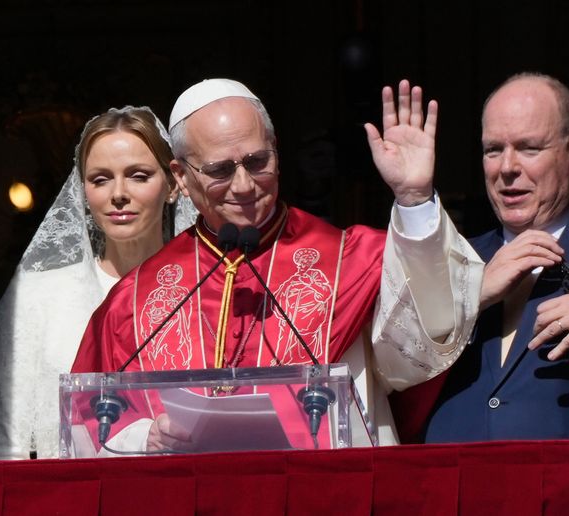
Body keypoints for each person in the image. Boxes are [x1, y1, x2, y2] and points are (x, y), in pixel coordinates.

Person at [71, 78, 484, 450]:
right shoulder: (136, 299)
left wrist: (413, 198)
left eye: (257, 162)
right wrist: (145, 436)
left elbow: (424, 347)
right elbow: (88, 418)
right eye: (220, 170)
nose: (244, 185)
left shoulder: (352, 260)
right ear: (180, 176)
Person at [0, 106, 198, 460]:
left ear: (172, 184)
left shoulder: (206, 290)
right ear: (83, 191)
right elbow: (8, 443)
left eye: (138, 176)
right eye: (100, 179)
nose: (118, 193)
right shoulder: (38, 295)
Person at [423, 73, 569, 443]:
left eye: (529, 148)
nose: (507, 167)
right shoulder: (452, 259)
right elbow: (388, 366)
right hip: (454, 475)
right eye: (493, 150)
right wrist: (470, 294)